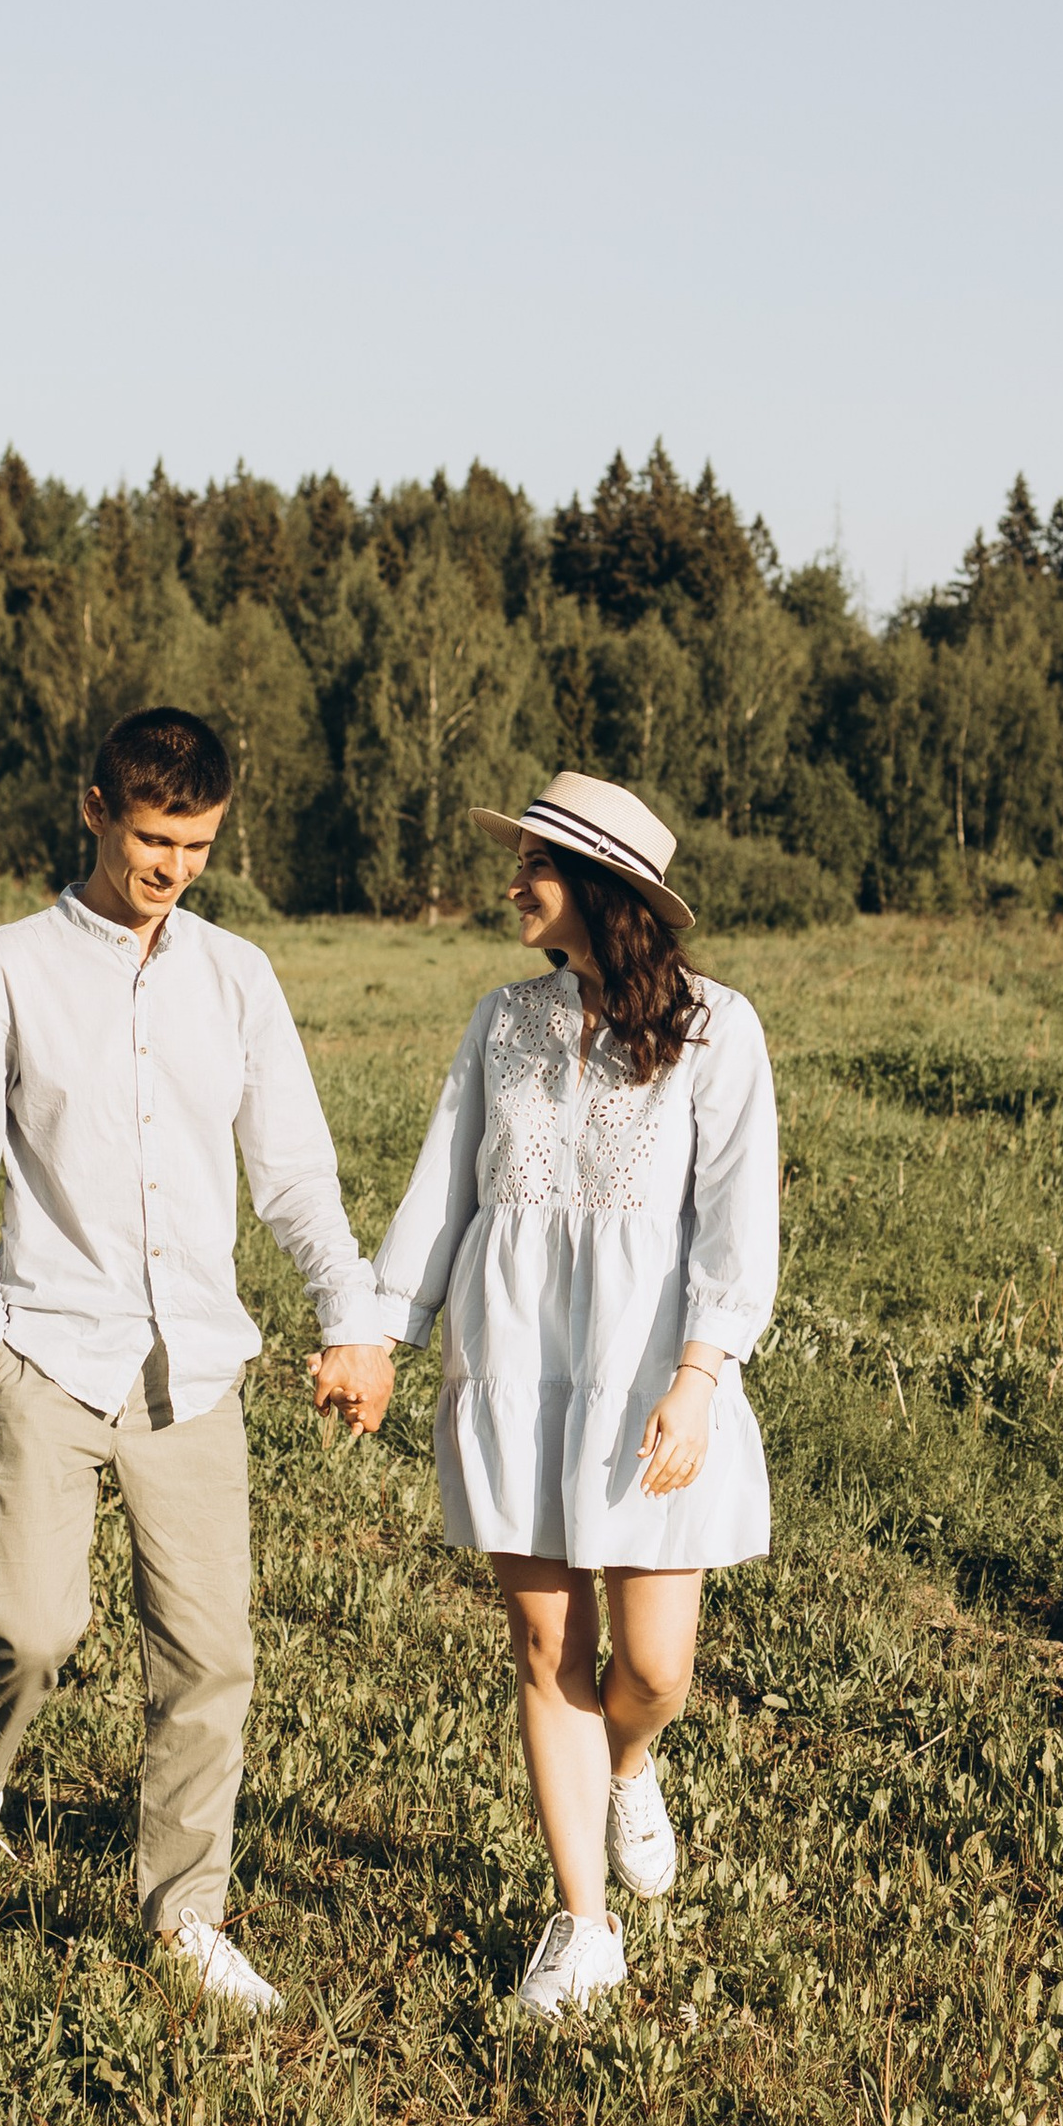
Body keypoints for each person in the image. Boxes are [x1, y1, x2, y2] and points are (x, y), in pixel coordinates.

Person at [0, 706, 395, 2010]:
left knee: (209, 1661)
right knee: (28, 1623)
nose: (172, 865)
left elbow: (293, 1175)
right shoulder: (3, 968)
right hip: (50, 1362)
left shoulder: (238, 977)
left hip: (196, 1375)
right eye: (151, 837)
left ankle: (184, 1915)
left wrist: (350, 1312)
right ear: (93, 811)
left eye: (196, 842)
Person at [366, 773, 779, 2018]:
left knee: (651, 1667)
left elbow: (737, 1229)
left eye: (532, 862)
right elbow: (444, 1192)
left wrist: (699, 1379)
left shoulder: (718, 1029)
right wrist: (385, 1332)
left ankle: (630, 1761)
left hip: (648, 1377)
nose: (512, 882)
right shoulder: (500, 1021)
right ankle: (581, 1925)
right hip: (513, 1363)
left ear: (598, 887)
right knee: (549, 1647)